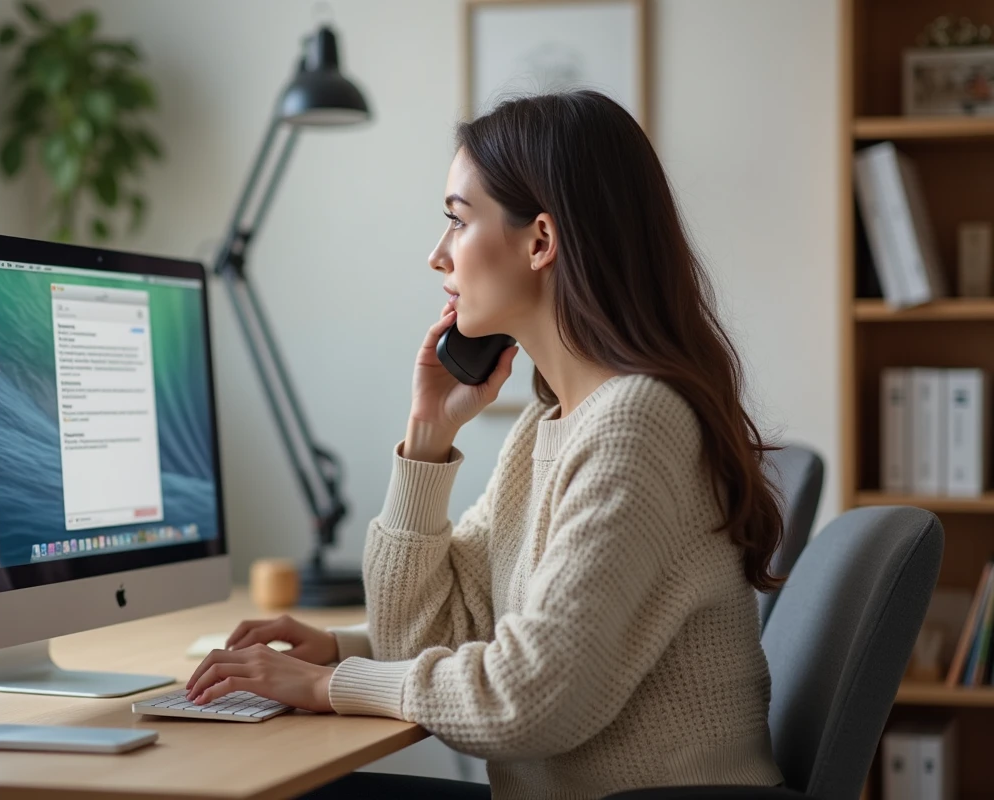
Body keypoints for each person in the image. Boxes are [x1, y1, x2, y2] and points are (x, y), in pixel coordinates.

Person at [185, 90, 786, 798]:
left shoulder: (636, 422)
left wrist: (329, 684)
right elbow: (442, 626)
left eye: (457, 221)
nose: (437, 255)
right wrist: (428, 440)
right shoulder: (553, 421)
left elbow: (526, 698)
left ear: (539, 241)